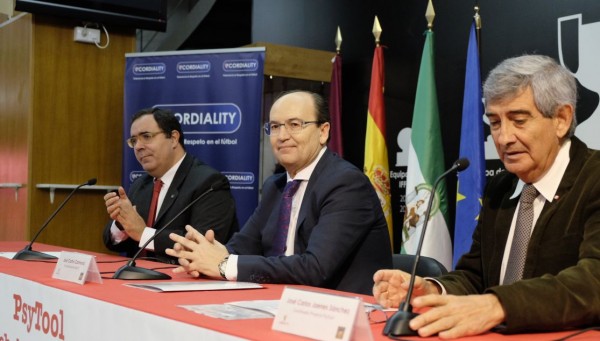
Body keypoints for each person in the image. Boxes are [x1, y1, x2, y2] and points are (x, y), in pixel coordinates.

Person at [373, 55, 600, 338]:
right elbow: (475, 275)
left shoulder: (594, 178)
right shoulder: (501, 188)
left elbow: (593, 282)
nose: (503, 138)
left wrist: (499, 305)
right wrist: (431, 289)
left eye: (518, 120)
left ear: (562, 119)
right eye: (494, 123)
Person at [165, 90, 392, 295]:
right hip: (282, 303)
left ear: (323, 132)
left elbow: (315, 268)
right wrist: (203, 254)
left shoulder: (346, 183)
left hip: (344, 312)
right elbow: (242, 245)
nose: (282, 136)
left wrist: (224, 264)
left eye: (294, 124)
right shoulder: (277, 185)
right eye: (274, 127)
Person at [103, 107, 238, 262]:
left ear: (173, 138)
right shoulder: (141, 185)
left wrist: (143, 233)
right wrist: (122, 224)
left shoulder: (209, 183)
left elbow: (204, 246)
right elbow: (112, 243)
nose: (138, 146)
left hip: (185, 282)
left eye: (146, 136)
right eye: (134, 140)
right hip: (137, 279)